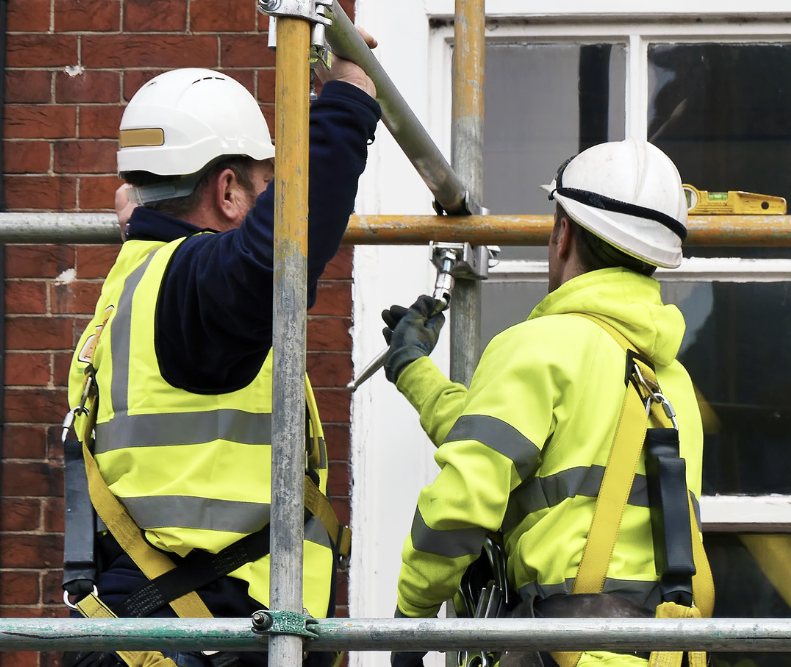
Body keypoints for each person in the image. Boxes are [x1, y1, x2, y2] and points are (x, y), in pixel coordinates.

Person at [64, 30, 381, 667]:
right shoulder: (192, 287)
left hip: (162, 628)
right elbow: (280, 248)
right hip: (202, 633)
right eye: (266, 183)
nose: (273, 197)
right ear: (229, 191)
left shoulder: (141, 276)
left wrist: (151, 209)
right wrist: (346, 99)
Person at [381, 138, 714, 667]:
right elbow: (511, 442)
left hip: (567, 654)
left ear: (563, 234)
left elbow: (463, 501)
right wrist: (414, 370)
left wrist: (410, 620)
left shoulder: (538, 347)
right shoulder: (673, 386)